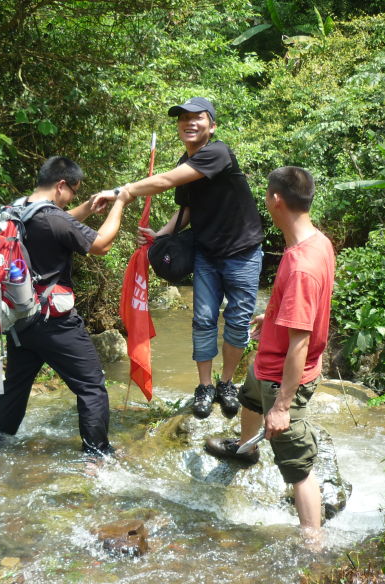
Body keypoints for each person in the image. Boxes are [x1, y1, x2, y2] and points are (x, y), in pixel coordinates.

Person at [92, 97, 264, 419]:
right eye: (183, 118)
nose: (189, 122)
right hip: (207, 254)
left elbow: (166, 180)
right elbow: (186, 210)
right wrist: (162, 234)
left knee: (238, 322)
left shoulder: (218, 153)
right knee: (202, 320)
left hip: (243, 253)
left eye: (197, 117)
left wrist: (123, 191)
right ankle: (204, 386)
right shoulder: (186, 161)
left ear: (212, 126)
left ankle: (226, 383)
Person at [204, 167, 335, 538]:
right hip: (267, 363)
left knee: (298, 469)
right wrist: (273, 316)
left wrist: (282, 406)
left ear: (276, 200)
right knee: (248, 399)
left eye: (265, 194)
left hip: (284, 377)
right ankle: (245, 449)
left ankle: (314, 542)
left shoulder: (301, 266)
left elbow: (300, 341)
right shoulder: (317, 243)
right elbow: (304, 311)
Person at [0, 156, 134, 455]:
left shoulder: (14, 210)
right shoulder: (52, 218)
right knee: (92, 386)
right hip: (54, 321)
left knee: (14, 385)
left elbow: (60, 223)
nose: (72, 199)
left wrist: (90, 206)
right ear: (62, 185)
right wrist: (120, 203)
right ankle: (97, 455)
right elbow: (101, 245)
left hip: (18, 317)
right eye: (74, 193)